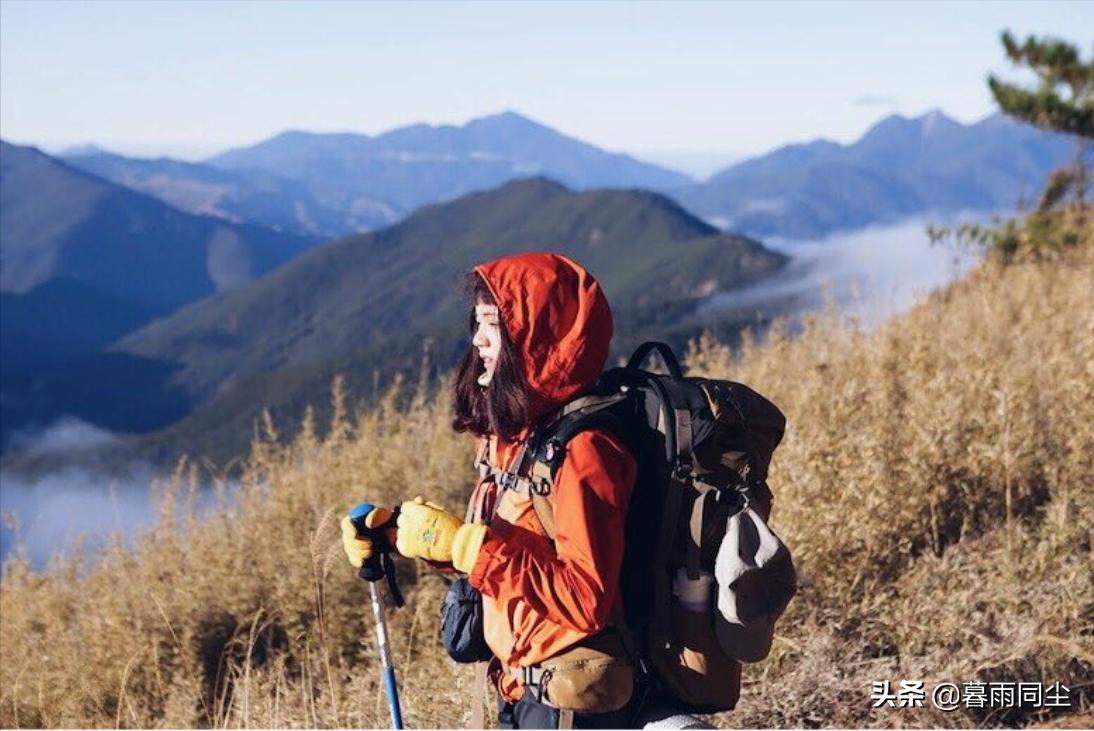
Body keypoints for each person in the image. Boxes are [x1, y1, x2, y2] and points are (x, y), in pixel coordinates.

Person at [342, 252, 644, 729]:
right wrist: (403, 534)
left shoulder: (586, 451)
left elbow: (585, 598)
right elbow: (506, 557)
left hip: (573, 705)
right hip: (521, 689)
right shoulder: (516, 437)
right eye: (476, 322)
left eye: (493, 325)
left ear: (537, 336)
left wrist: (467, 546)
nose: (478, 340)